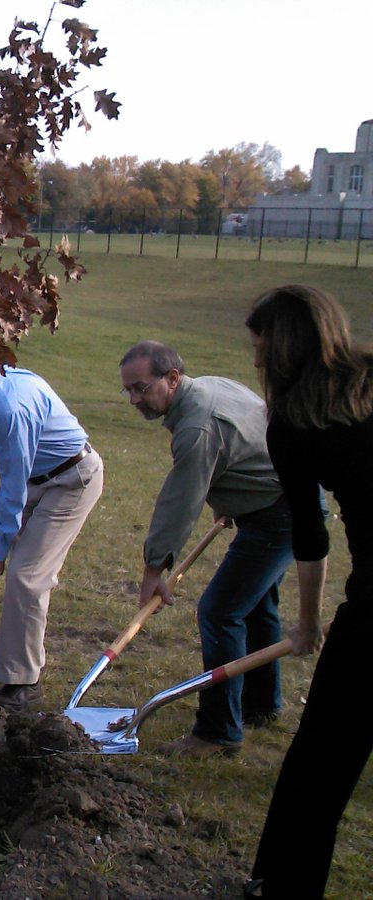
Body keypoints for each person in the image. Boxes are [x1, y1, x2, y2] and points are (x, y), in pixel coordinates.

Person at [244, 285, 373, 899]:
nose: (255, 360)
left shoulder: (293, 420)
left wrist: (308, 625)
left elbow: (310, 532)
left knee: (322, 756)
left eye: (260, 347)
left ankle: (281, 887)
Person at [119, 341, 293, 758]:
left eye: (141, 388)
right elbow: (251, 432)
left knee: (220, 611)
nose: (134, 400)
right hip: (277, 499)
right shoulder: (210, 387)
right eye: (128, 390)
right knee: (255, 607)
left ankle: (218, 732)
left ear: (173, 378)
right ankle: (261, 704)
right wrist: (236, 494)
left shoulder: (196, 426)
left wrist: (153, 571)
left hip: (279, 515)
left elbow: (180, 503)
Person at [0, 366, 104, 711]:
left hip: (72, 480)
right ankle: (11, 665)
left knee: (27, 576)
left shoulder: (9, 408)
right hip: (40, 478)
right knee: (21, 574)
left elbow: (12, 489)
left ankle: (24, 684)